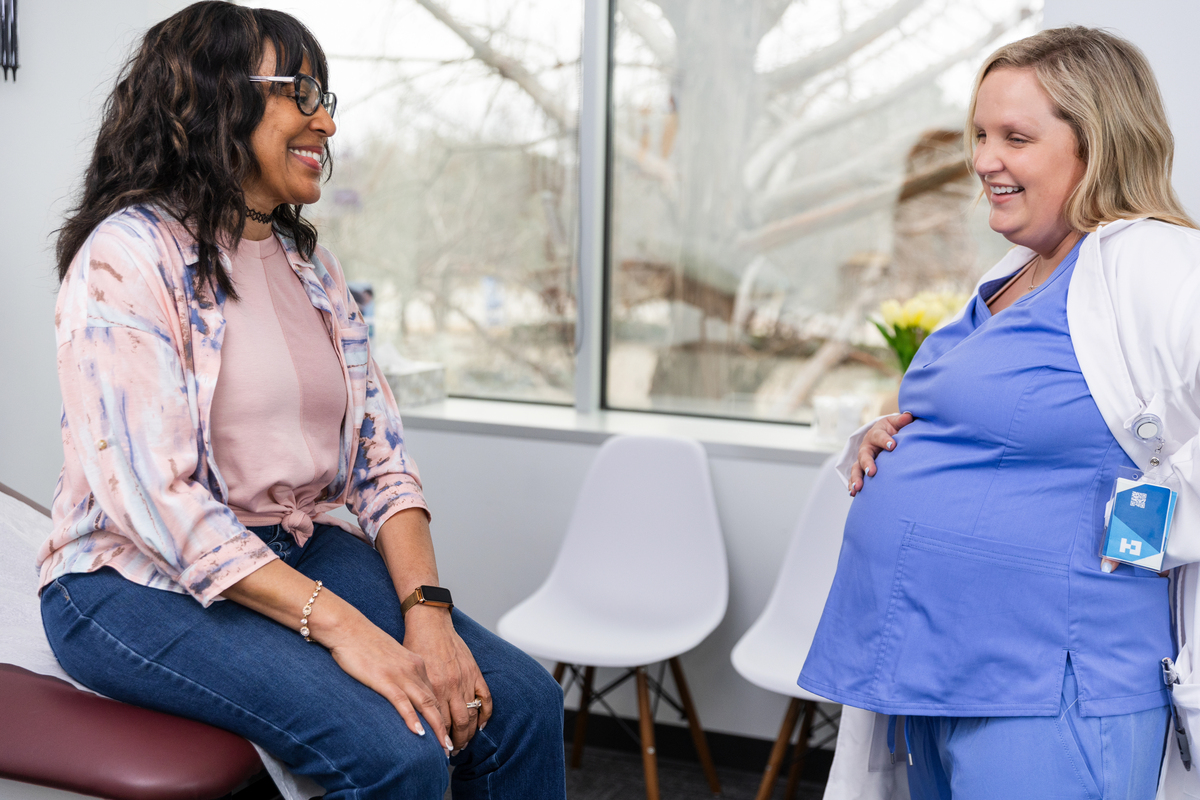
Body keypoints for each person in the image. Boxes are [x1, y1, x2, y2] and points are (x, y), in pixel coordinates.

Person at [37, 3, 566, 798]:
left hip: (296, 548)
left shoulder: (310, 268)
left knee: (521, 703)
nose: (325, 120)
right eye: (303, 92)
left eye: (328, 99)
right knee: (397, 749)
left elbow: (382, 461)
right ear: (218, 97)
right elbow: (160, 500)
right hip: (131, 578)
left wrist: (427, 611)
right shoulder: (126, 256)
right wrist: (348, 629)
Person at [800, 26, 1200, 799]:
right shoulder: (1016, 269)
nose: (984, 159)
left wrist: (1139, 532)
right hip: (940, 668)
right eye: (981, 134)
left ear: (1101, 146)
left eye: (1015, 137)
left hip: (1049, 683)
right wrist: (898, 434)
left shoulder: (1153, 260)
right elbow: (1004, 417)